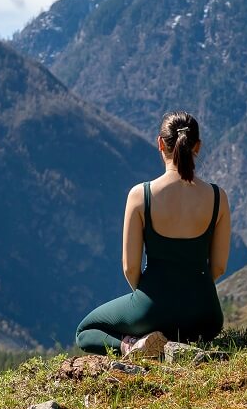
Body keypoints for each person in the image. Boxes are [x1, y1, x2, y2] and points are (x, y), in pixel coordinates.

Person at [75, 111, 231, 357]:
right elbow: (219, 266)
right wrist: (192, 292)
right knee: (193, 323)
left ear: (160, 143)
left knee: (85, 330)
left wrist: (152, 300)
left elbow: (130, 267)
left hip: (154, 310)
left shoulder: (141, 195)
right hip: (206, 317)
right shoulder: (218, 197)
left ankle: (133, 346)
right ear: (197, 147)